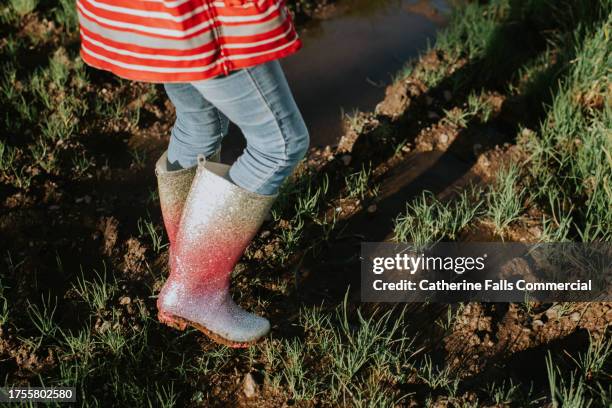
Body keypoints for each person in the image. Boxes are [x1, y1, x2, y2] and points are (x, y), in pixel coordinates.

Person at [76, 0, 309, 347]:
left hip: (154, 16)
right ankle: (194, 292)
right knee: (280, 144)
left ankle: (185, 260)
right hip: (200, 19)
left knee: (201, 123)